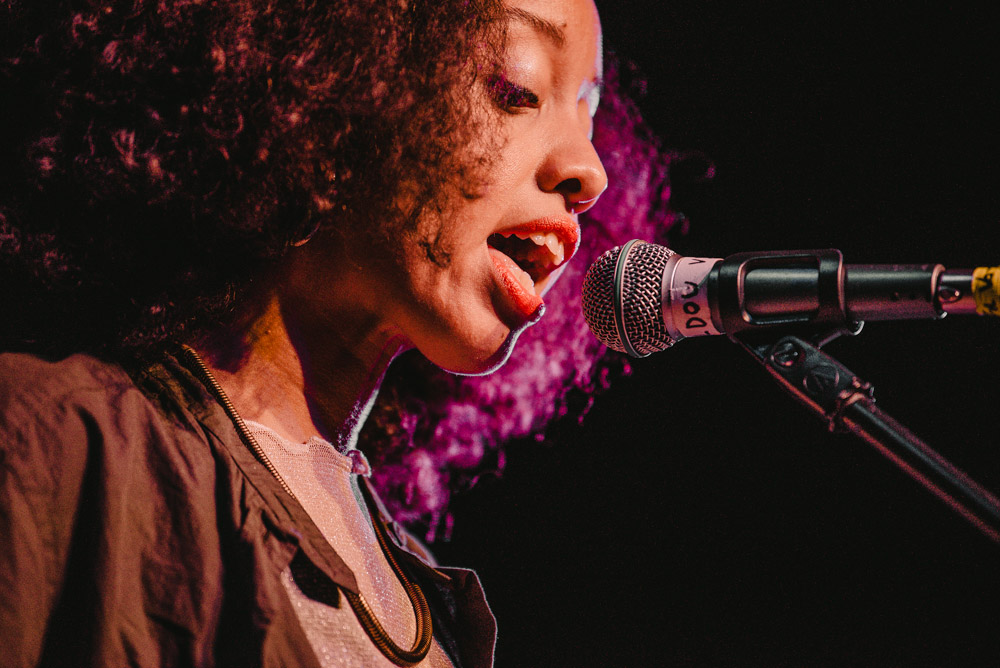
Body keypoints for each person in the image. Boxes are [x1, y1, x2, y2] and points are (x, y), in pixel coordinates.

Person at [0, 0, 681, 665]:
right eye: (518, 88)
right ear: (341, 83)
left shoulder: (423, 598)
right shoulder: (50, 443)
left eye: (587, 113)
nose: (589, 170)